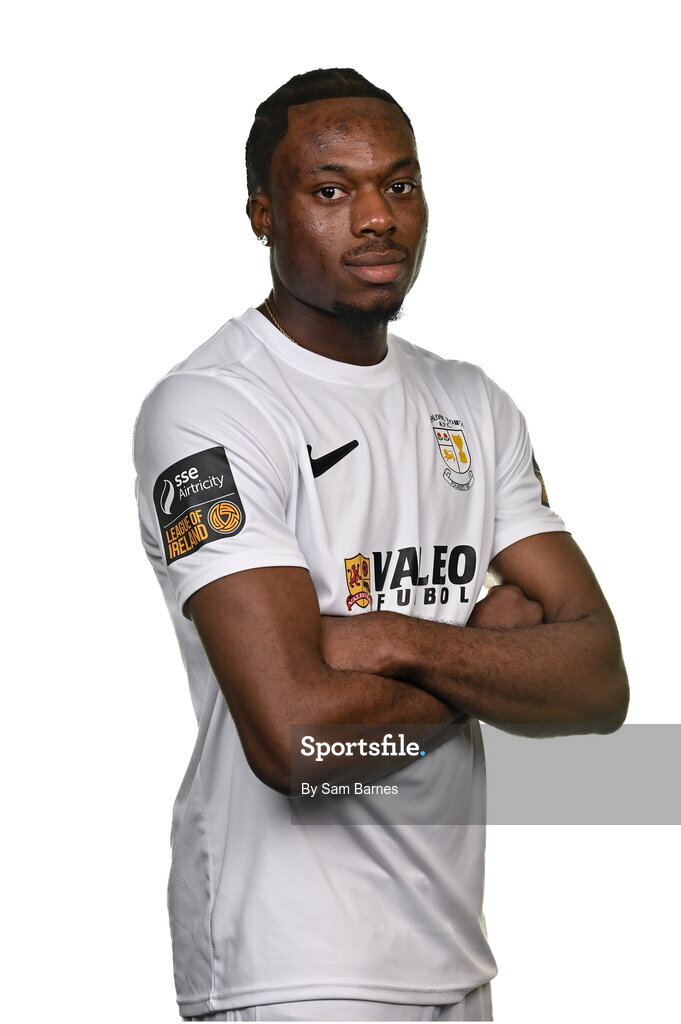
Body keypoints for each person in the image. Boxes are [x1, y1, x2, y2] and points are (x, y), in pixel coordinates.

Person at [133, 68, 629, 1022]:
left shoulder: (471, 405)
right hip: (290, 963)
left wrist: (397, 638)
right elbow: (297, 740)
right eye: (330, 190)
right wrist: (488, 658)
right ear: (262, 215)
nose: (376, 218)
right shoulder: (213, 409)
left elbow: (598, 680)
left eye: (398, 185)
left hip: (454, 958)